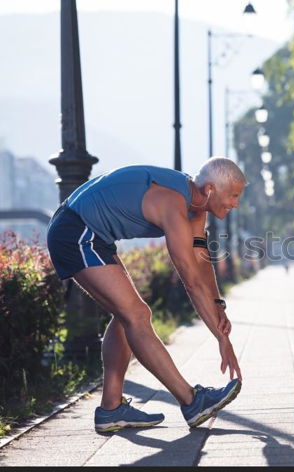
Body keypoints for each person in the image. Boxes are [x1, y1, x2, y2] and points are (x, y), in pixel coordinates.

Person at [46, 157, 245, 433]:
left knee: (127, 315)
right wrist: (222, 340)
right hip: (75, 231)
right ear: (210, 189)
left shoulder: (197, 207)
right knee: (136, 315)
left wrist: (218, 304)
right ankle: (191, 400)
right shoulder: (172, 203)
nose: (236, 203)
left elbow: (200, 260)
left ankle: (111, 408)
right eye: (233, 195)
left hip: (94, 237)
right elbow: (190, 279)